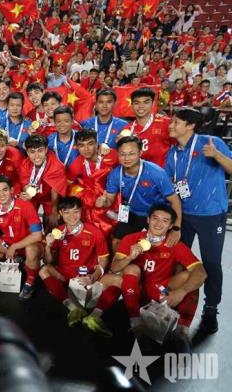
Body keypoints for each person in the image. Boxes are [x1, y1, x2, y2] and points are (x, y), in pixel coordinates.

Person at [165, 108, 232, 334]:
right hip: (183, 215)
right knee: (178, 261)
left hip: (211, 215)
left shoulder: (211, 143)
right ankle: (175, 306)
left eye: (176, 122)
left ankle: (211, 310)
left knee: (211, 263)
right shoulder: (173, 152)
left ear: (190, 125)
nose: (170, 125)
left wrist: (217, 155)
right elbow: (170, 184)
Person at [111, 204, 207, 348]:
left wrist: (182, 291)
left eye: (164, 221)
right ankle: (135, 321)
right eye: (155, 218)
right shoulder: (131, 239)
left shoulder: (174, 244)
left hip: (162, 291)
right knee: (131, 268)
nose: (158, 223)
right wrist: (130, 257)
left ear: (170, 226)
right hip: (137, 290)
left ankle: (182, 331)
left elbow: (201, 272)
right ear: (148, 220)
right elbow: (114, 268)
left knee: (191, 278)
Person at [39, 197, 115, 332]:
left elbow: (103, 259)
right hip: (65, 275)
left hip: (88, 275)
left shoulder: (94, 232)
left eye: (76, 211)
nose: (72, 216)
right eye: (67, 212)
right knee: (43, 270)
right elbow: (48, 261)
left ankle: (95, 316)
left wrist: (94, 276)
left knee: (118, 280)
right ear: (61, 213)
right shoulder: (58, 232)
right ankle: (73, 309)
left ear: (81, 211)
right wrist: (48, 247)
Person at [98, 136, 182, 251]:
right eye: (123, 154)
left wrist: (176, 228)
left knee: (154, 248)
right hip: (131, 212)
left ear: (140, 153)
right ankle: (118, 263)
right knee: (116, 242)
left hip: (155, 215)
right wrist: (104, 201)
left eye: (131, 154)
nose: (127, 158)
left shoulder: (156, 173)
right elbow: (109, 200)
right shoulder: (115, 174)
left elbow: (175, 201)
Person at [0, 176, 44, 300]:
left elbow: (38, 235)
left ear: (12, 190)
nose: (2, 194)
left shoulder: (26, 206)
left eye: (5, 190)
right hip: (10, 243)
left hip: (30, 243)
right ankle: (19, 260)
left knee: (31, 250)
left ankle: (30, 282)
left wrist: (14, 246)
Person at [67, 129, 119, 237]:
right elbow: (69, 186)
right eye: (81, 145)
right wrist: (89, 198)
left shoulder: (112, 155)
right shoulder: (76, 164)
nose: (86, 149)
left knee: (116, 235)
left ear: (97, 143)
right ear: (77, 147)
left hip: (114, 200)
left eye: (90, 144)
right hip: (92, 205)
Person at [19, 134, 67, 228]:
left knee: (53, 221)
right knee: (24, 215)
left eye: (40, 151)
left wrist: (54, 211)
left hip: (50, 198)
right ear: (27, 152)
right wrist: (27, 195)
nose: (37, 155)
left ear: (46, 150)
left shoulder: (56, 166)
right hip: (33, 196)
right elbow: (25, 184)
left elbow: (55, 191)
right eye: (32, 152)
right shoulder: (25, 164)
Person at [119, 87, 173, 167]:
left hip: (162, 173)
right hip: (138, 173)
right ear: (132, 105)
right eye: (137, 103)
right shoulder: (128, 130)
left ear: (153, 103)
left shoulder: (166, 123)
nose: (141, 106)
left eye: (146, 102)